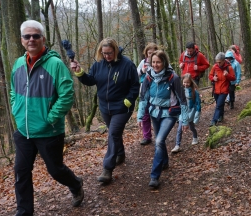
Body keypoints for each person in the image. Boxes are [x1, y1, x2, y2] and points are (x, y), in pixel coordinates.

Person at [3, 20, 84, 216]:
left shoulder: (55, 64)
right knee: (21, 172)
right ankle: (24, 215)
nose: (31, 39)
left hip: (49, 131)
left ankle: (75, 185)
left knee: (55, 170)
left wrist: (51, 118)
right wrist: (17, 111)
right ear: (22, 40)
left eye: (35, 36)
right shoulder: (18, 64)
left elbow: (67, 94)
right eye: (27, 36)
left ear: (43, 39)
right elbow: (13, 91)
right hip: (24, 131)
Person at [70, 38, 140, 185]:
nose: (107, 56)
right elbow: (90, 80)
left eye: (109, 53)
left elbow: (135, 85)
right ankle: (120, 153)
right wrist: (79, 72)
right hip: (105, 107)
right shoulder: (98, 65)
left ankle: (107, 169)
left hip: (122, 107)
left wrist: (129, 100)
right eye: (104, 53)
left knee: (113, 133)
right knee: (114, 133)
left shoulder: (127, 65)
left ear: (115, 50)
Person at [137, 50, 187, 188]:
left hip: (169, 114)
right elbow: (143, 98)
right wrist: (140, 117)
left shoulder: (173, 78)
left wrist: (185, 119)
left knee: (158, 140)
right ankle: (164, 162)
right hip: (154, 113)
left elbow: (182, 100)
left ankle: (154, 176)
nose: (155, 64)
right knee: (160, 141)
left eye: (158, 62)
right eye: (153, 62)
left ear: (164, 62)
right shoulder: (148, 77)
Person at [172, 73, 201, 153]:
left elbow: (198, 104)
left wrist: (196, 117)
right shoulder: (180, 90)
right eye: (184, 82)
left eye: (187, 82)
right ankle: (177, 145)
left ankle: (195, 137)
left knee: (191, 127)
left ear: (191, 82)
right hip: (182, 112)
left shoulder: (194, 92)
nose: (186, 84)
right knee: (179, 129)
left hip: (190, 112)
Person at [137, 43, 159, 146]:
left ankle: (159, 134)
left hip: (156, 91)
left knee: (156, 113)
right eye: (149, 53)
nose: (150, 55)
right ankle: (147, 136)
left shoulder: (159, 62)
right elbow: (135, 73)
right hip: (144, 91)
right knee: (145, 114)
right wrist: (142, 70)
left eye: (152, 53)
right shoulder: (143, 62)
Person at [208, 52, 235, 126]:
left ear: (223, 60)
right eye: (217, 62)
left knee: (218, 105)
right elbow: (210, 76)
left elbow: (233, 78)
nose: (218, 64)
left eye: (219, 62)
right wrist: (213, 78)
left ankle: (214, 120)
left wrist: (227, 75)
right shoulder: (215, 67)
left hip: (224, 90)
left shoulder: (229, 68)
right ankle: (221, 116)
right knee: (219, 104)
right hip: (216, 90)